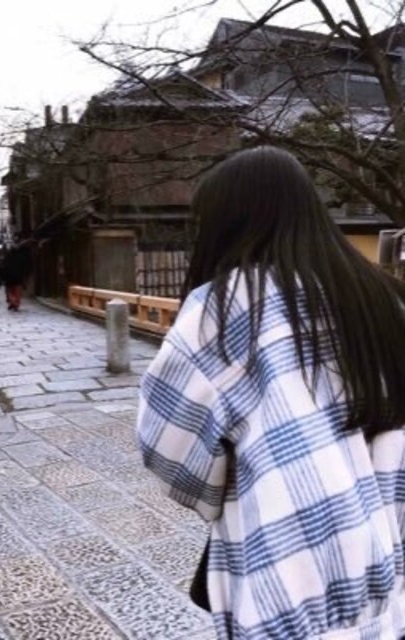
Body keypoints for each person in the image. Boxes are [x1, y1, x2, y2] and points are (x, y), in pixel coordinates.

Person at [137, 146, 405, 639]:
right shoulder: (383, 296)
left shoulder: (224, 308)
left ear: (227, 223)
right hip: (387, 556)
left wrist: (218, 485)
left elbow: (167, 444)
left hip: (289, 570)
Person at [2, 239, 33, 311]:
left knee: (10, 291)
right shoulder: (21, 256)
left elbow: (4, 267)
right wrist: (25, 275)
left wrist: (4, 276)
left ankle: (12, 302)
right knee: (17, 292)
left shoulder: (8, 256)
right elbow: (24, 267)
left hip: (9, 277)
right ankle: (16, 304)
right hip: (19, 277)